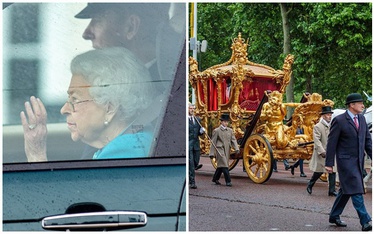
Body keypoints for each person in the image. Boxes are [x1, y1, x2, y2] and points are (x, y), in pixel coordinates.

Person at [20, 47, 158, 161]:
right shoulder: (135, 140)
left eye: (75, 100)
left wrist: (36, 155)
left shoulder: (123, 153)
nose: (64, 109)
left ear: (109, 108)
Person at [325, 93, 372, 231]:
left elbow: (367, 141)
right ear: (352, 105)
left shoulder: (362, 119)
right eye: (360, 103)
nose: (363, 105)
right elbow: (331, 143)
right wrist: (329, 163)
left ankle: (334, 216)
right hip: (345, 162)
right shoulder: (339, 120)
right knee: (357, 189)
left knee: (346, 191)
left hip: (358, 161)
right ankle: (365, 221)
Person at [306, 106, 337, 196]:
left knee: (332, 171)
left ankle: (332, 190)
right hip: (321, 153)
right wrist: (322, 151)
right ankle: (310, 184)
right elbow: (317, 140)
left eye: (330, 114)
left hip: (331, 152)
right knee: (319, 171)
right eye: (328, 114)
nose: (329, 116)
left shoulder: (332, 126)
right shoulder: (317, 126)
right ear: (323, 116)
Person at [209, 114, 240, 187]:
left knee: (221, 165)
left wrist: (236, 148)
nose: (226, 123)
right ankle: (228, 181)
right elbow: (213, 142)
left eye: (227, 122)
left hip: (227, 150)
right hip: (220, 150)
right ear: (221, 122)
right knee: (225, 165)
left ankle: (215, 179)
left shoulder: (230, 130)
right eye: (225, 122)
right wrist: (212, 153)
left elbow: (233, 140)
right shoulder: (216, 131)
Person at [188, 103, 205, 189]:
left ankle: (189, 171)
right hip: (188, 144)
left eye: (193, 108)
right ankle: (192, 182)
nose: (192, 110)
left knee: (196, 161)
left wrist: (201, 132)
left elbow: (199, 133)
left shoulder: (197, 119)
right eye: (190, 108)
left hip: (196, 144)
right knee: (191, 163)